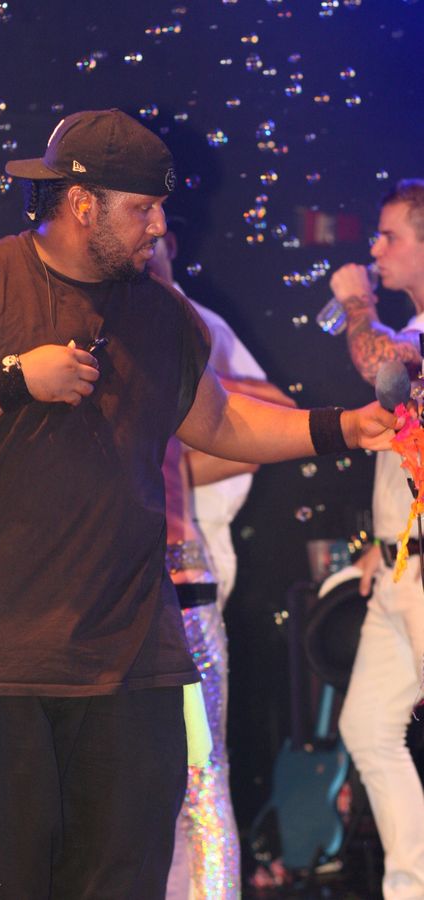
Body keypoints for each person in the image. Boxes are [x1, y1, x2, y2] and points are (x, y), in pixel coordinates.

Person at [0, 108, 396, 899]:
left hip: (129, 669)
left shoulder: (160, 314)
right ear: (82, 203)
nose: (159, 227)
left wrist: (345, 427)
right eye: (142, 208)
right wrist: (13, 380)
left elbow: (220, 423)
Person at [150, 233, 295, 900]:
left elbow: (272, 421)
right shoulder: (76, 324)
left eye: (155, 225)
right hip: (93, 586)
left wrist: (184, 373)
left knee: (199, 774)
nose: (144, 237)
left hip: (178, 579)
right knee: (121, 780)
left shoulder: (191, 325)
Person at [331, 179, 424, 900]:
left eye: (391, 235)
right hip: (400, 570)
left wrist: (357, 301)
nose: (376, 248)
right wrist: (384, 541)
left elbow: (386, 370)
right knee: (366, 726)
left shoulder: (410, 341)